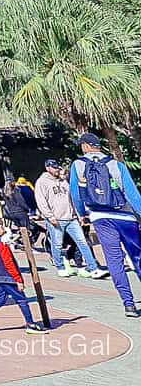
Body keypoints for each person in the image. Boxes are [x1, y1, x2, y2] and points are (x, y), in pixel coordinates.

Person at [68, 132, 141, 319]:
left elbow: (76, 195)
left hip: (100, 217)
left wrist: (83, 214)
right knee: (138, 256)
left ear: (85, 146)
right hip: (125, 216)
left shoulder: (78, 166)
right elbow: (133, 195)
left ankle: (129, 304)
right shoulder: (116, 165)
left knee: (114, 260)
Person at [36, 159, 104, 279]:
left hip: (71, 218)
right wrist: (50, 216)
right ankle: (60, 267)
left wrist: (78, 215)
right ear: (48, 168)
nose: (57, 170)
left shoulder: (64, 182)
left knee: (82, 242)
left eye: (58, 167)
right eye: (54, 168)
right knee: (57, 244)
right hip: (56, 218)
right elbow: (41, 201)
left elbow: (72, 198)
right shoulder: (42, 182)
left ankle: (93, 268)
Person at [0, 216, 45, 332]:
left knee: (0, 298)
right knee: (22, 300)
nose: (4, 228)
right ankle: (30, 324)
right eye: (1, 226)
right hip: (7, 277)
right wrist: (18, 279)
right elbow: (9, 263)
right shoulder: (1, 244)